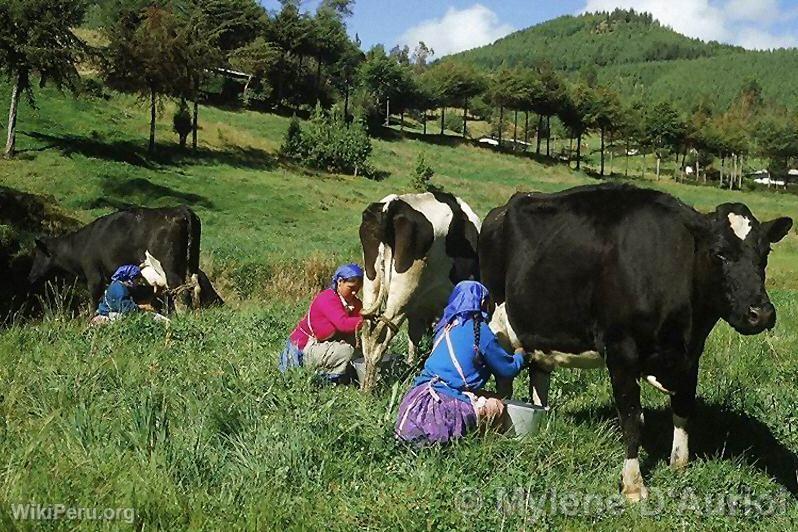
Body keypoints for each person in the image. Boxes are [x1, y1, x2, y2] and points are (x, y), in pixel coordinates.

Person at [395, 281, 528, 445]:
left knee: (484, 396)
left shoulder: (445, 327)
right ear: (482, 303)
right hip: (443, 409)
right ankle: (485, 446)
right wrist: (521, 355)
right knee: (496, 404)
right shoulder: (479, 331)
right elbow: (507, 370)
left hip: (416, 401)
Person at [280, 263, 364, 384]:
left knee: (360, 348)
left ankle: (350, 374)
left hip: (324, 345)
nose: (354, 293)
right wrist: (366, 320)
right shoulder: (327, 299)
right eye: (351, 288)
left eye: (357, 289)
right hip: (305, 348)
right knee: (346, 351)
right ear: (340, 282)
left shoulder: (354, 303)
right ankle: (324, 379)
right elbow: (343, 324)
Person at [91, 264, 166, 325]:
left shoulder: (117, 285)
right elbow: (127, 310)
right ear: (130, 278)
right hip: (109, 315)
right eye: (137, 279)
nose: (138, 282)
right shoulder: (119, 290)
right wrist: (144, 307)